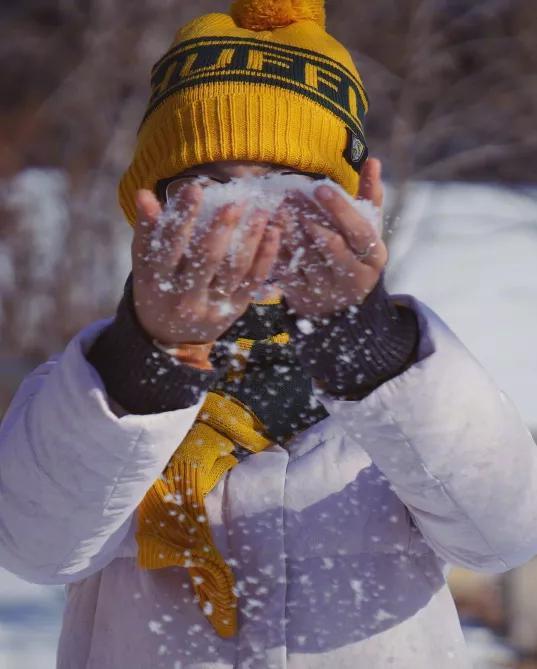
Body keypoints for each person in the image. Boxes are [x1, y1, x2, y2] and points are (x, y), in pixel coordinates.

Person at [1, 1, 537, 667]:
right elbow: (36, 547)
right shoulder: (97, 381)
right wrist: (154, 357)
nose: (248, 218)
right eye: (213, 185)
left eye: (289, 184)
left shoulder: (405, 368)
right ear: (152, 210)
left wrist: (363, 344)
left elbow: (501, 531)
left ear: (350, 202)